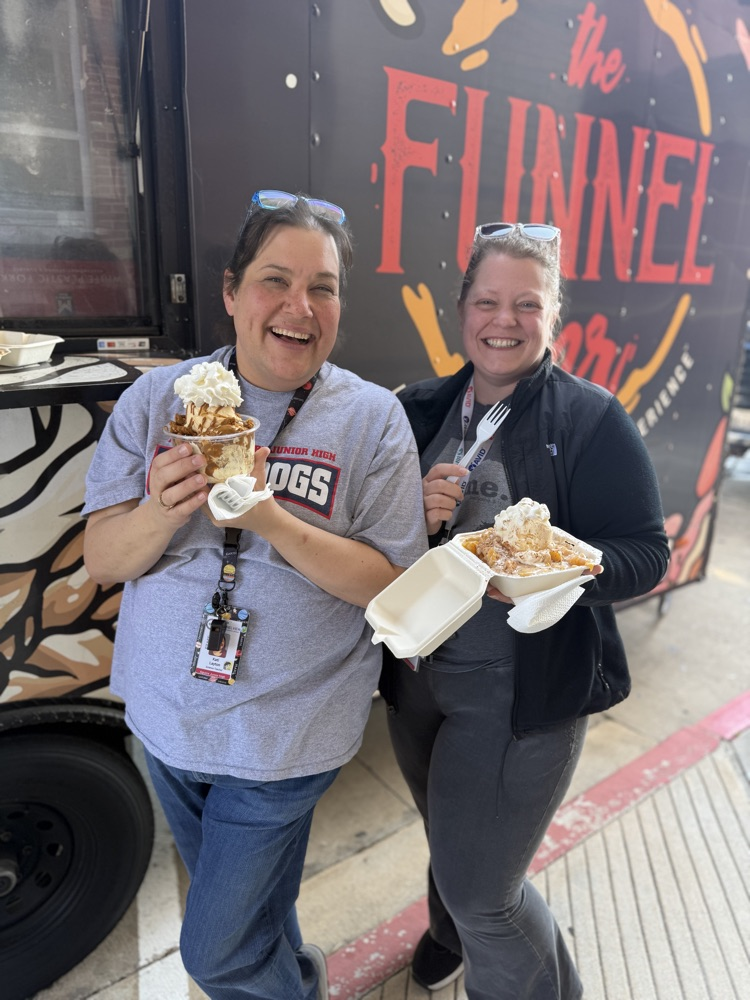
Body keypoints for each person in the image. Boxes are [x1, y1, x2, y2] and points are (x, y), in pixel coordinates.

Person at [82, 190, 428, 1000]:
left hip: (287, 731)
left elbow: (390, 585)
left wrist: (269, 516)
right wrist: (161, 509)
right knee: (250, 918)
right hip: (167, 718)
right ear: (232, 293)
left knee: (217, 955)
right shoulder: (158, 403)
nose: (301, 307)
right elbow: (103, 559)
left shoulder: (373, 420)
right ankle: (297, 976)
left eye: (325, 286)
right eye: (276, 280)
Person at [380, 221, 670, 999]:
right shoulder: (420, 406)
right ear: (462, 307)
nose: (503, 321)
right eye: (487, 300)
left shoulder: (590, 419)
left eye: (526, 304)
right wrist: (416, 513)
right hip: (416, 679)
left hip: (520, 695)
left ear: (553, 317)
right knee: (451, 839)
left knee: (488, 892)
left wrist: (558, 568)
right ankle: (449, 933)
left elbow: (648, 552)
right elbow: (382, 543)